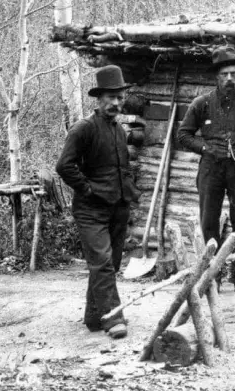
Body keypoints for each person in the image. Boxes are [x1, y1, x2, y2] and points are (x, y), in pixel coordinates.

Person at [178, 45, 235, 292]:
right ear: (216, 78)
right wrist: (205, 149)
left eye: (233, 74)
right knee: (209, 220)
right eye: (224, 75)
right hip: (211, 168)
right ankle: (213, 278)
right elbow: (184, 134)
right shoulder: (202, 103)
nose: (229, 78)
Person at [56, 65, 140, 339]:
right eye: (110, 97)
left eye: (119, 97)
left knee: (111, 264)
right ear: (99, 97)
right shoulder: (83, 129)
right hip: (91, 209)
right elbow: (64, 166)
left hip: (118, 206)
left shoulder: (118, 130)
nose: (116, 102)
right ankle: (113, 318)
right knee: (102, 262)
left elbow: (122, 168)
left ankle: (94, 316)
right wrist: (87, 190)